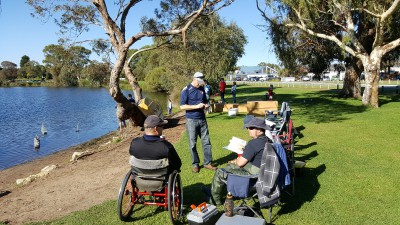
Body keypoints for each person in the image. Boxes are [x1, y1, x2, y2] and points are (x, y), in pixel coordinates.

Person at [209, 117, 271, 205]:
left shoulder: (253, 143)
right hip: (264, 174)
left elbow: (240, 163)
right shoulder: (267, 140)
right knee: (229, 166)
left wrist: (238, 160)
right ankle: (219, 190)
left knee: (219, 172)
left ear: (260, 130)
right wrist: (246, 151)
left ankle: (215, 201)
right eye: (248, 128)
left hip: (253, 177)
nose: (248, 130)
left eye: (251, 128)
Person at [180, 72, 217, 173]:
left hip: (202, 120)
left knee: (207, 142)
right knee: (192, 143)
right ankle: (195, 164)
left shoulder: (201, 89)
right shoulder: (186, 90)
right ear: (194, 79)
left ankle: (208, 163)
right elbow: (182, 106)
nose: (200, 84)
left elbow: (205, 101)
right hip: (191, 120)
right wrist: (196, 106)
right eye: (199, 82)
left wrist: (206, 105)